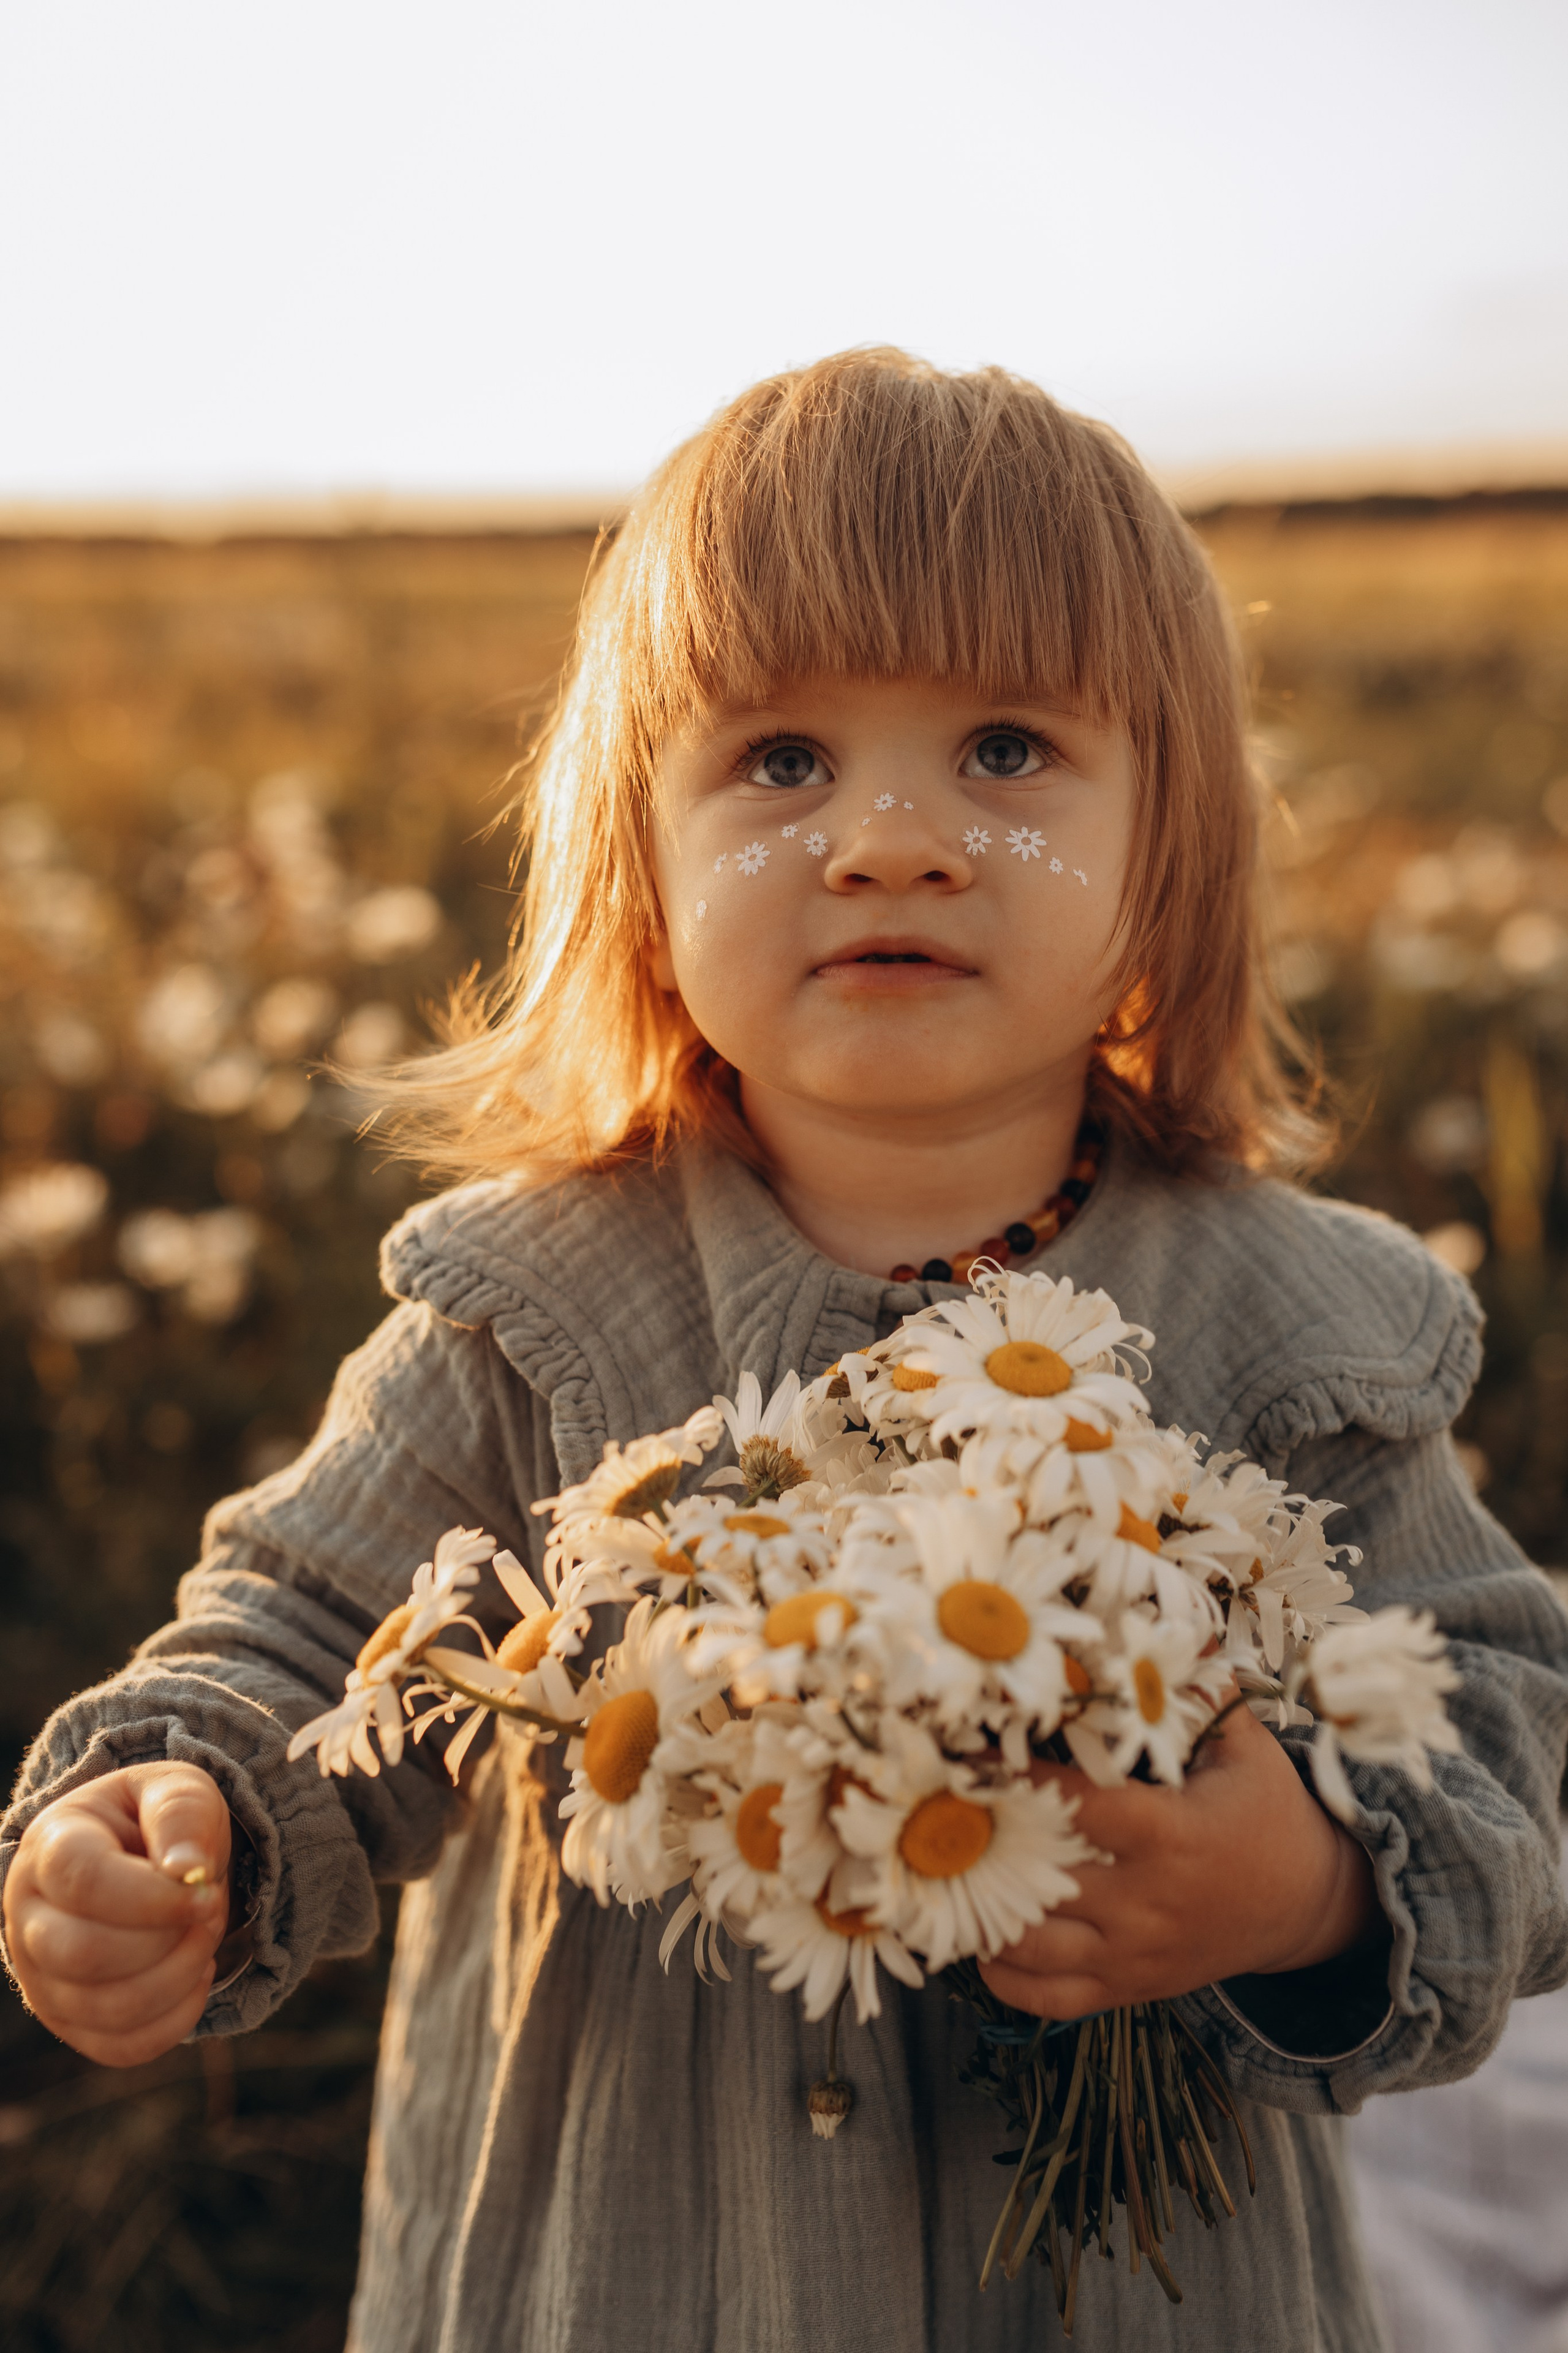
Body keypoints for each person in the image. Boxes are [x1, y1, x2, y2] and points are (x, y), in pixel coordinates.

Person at [2, 350, 1566, 2353]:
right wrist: (180, 1811)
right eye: (783, 760)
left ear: (1166, 848)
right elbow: (301, 1639)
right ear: (639, 863)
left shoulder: (1298, 1330)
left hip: (1141, 2296)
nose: (891, 838)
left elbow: (1506, 1722)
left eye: (1005, 748)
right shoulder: (529, 1313)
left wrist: (1311, 1889)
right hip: (620, 2272)